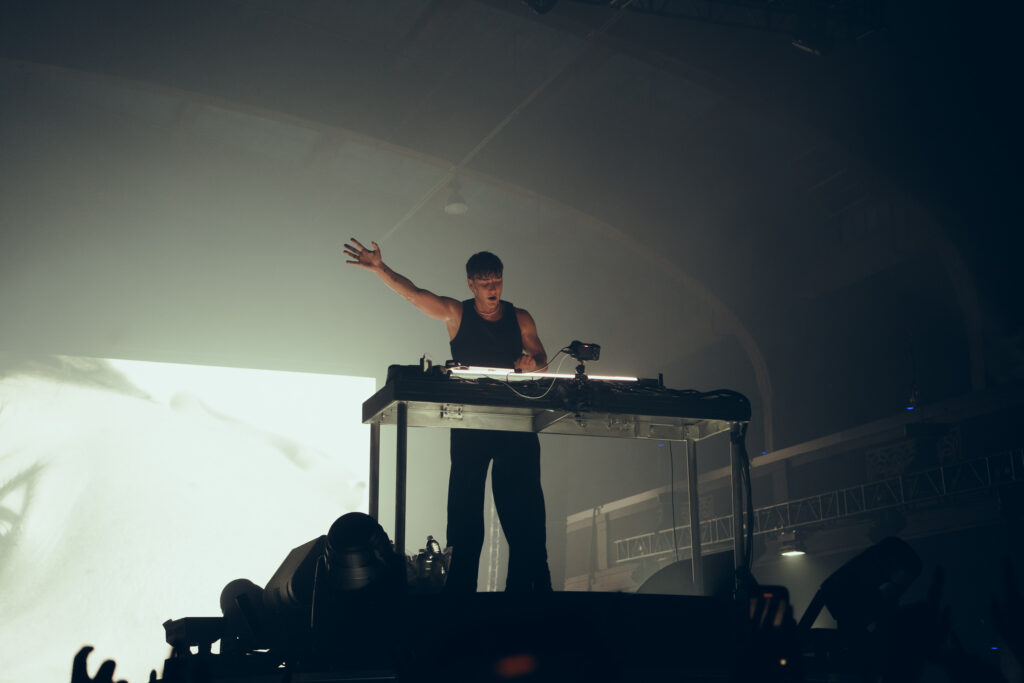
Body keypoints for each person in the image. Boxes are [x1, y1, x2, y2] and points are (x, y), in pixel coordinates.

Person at [343, 238, 552, 592]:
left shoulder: (520, 318)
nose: (493, 289)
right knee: (465, 520)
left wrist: (533, 364)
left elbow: (543, 359)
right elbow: (414, 295)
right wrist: (380, 268)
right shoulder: (457, 313)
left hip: (515, 425)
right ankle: (459, 599)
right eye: (485, 283)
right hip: (470, 423)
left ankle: (527, 598)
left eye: (497, 281)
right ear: (471, 284)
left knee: (525, 517)